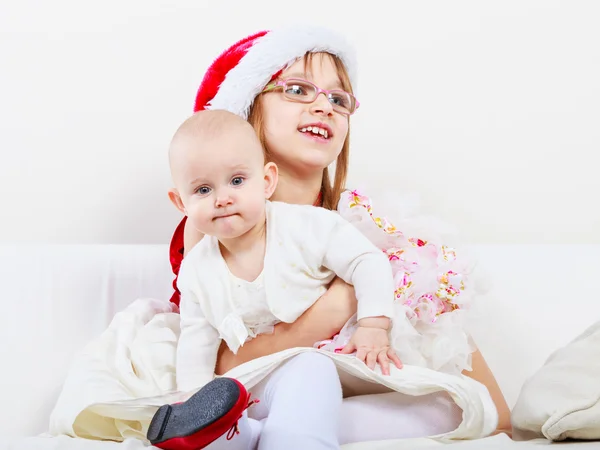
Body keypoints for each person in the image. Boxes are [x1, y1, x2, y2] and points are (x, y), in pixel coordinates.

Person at [161, 25, 511, 448]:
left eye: (338, 98)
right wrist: (336, 307)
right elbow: (223, 358)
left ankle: (265, 432)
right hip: (258, 387)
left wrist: (368, 309)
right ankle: (266, 427)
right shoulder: (215, 226)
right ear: (248, 103)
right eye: (297, 89)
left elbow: (496, 414)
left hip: (329, 388)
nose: (323, 107)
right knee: (285, 389)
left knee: (467, 408)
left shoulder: (364, 230)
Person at [150, 109, 403, 449]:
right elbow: (197, 341)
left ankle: (285, 439)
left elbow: (368, 260)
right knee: (233, 401)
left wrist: (374, 325)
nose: (222, 198)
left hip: (328, 357)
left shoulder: (307, 225)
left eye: (237, 181)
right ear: (181, 202)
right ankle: (240, 432)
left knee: (312, 371)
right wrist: (195, 407)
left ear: (267, 181)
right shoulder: (196, 269)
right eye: (203, 189)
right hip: (257, 378)